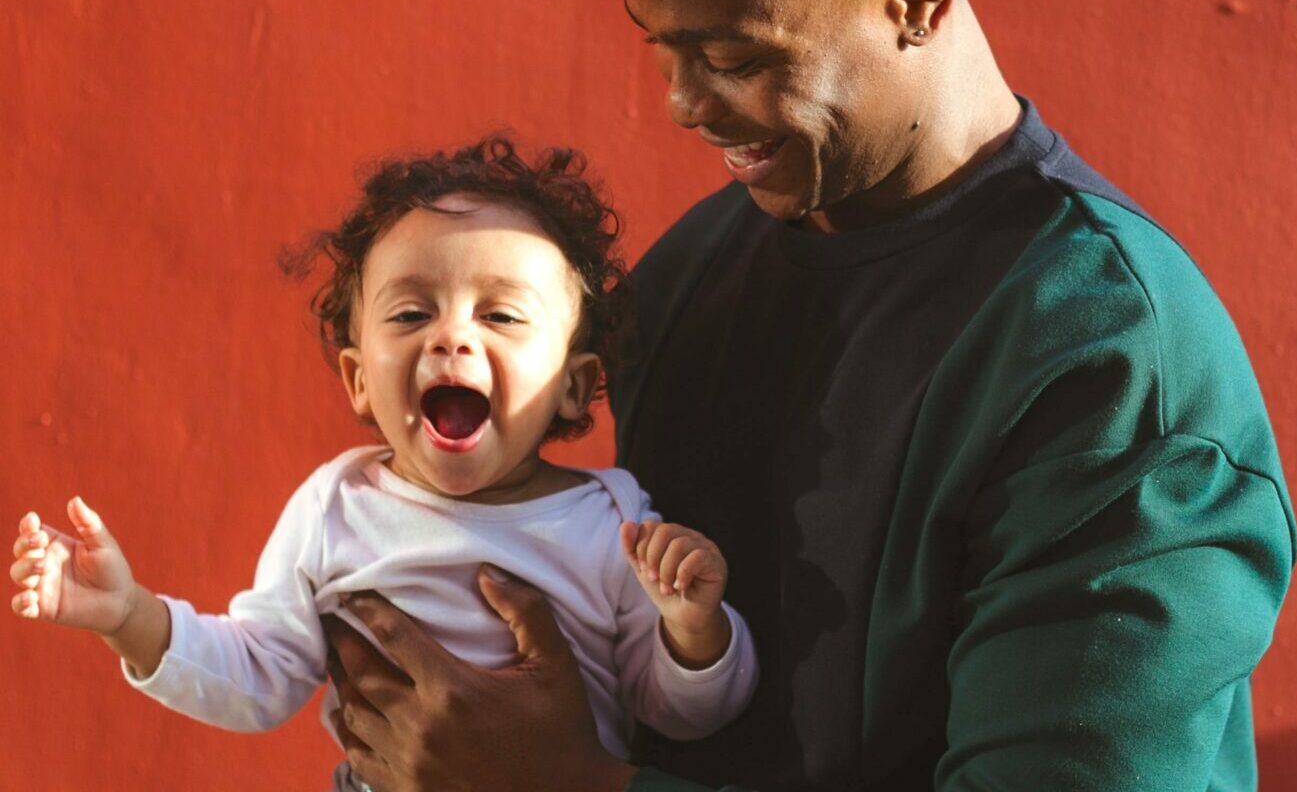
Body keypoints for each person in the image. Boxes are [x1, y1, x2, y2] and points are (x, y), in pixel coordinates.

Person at [321, 0, 1297, 791]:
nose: (683, 105)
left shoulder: (1108, 367)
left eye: (736, 55)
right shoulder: (683, 283)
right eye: (663, 48)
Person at [8, 139, 758, 792]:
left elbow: (678, 714)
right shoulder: (334, 506)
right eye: (409, 314)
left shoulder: (613, 523)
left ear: (574, 385)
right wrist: (129, 616)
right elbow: (257, 675)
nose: (450, 338)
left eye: (498, 315)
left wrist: (693, 632)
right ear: (359, 378)